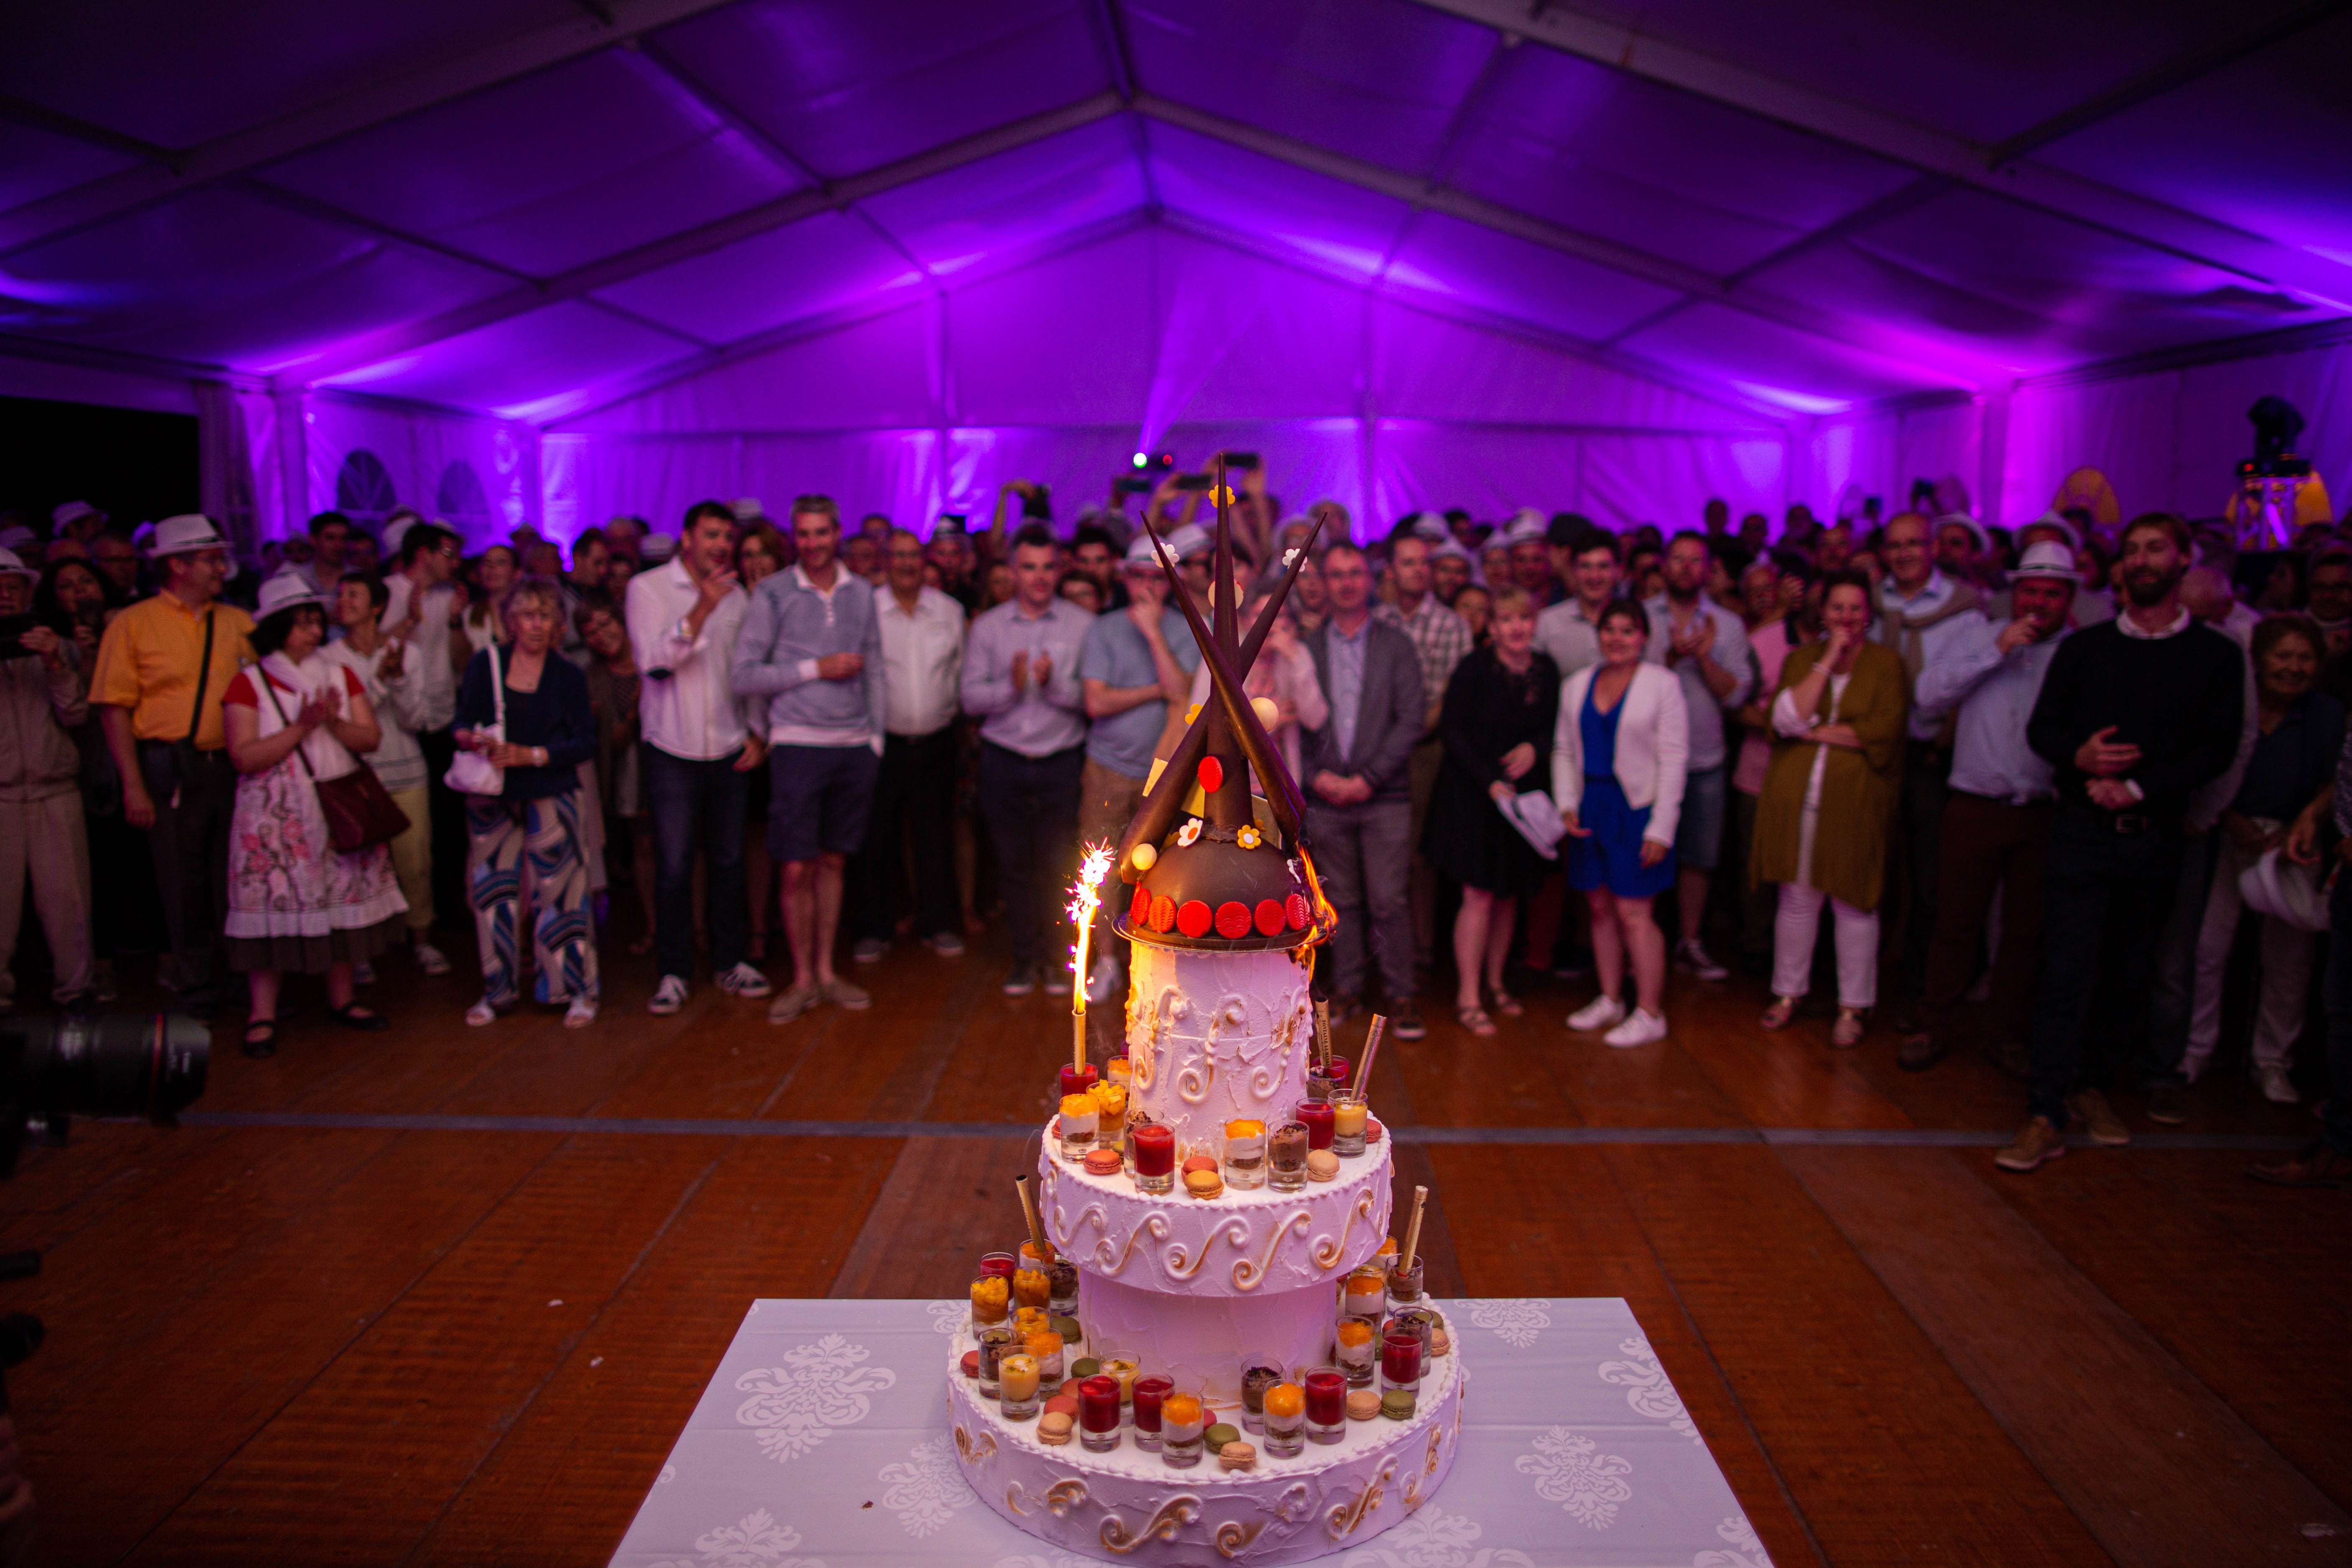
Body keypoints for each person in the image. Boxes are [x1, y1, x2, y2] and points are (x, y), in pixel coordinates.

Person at [1998, 514, 2246, 1173]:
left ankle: (2093, 1086)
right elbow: (2043, 732)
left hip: (2155, 836)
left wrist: (2138, 790)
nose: (2140, 560)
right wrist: (2079, 758)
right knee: (2065, 969)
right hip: (2081, 832)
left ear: (2181, 559)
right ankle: (2045, 1109)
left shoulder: (2216, 656)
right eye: (2131, 550)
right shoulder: (2086, 649)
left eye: (2153, 549)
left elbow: (2215, 750)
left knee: (2129, 971)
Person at [1900, 541, 2079, 1074]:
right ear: (2014, 591)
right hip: (1974, 804)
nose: (2038, 602)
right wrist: (1996, 648)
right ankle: (1935, 1026)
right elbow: (1928, 697)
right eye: (2029, 590)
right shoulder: (1976, 635)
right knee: (1954, 922)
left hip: (2043, 809)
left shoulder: (2079, 651)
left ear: (2067, 598)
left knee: (2026, 932)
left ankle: (2006, 1034)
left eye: (2050, 593)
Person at [220, 576, 406, 1055]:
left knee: (338, 898)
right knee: (272, 904)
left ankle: (342, 1000)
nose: (312, 630)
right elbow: (243, 755)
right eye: (300, 623)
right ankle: (262, 1014)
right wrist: (301, 728)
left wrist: (331, 722)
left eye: (314, 621)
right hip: (275, 813)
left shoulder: (338, 674)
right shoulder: (250, 682)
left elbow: (370, 739)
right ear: (277, 629)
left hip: (333, 803)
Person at [89, 514, 255, 1014]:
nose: (222, 568)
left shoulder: (238, 622)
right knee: (181, 878)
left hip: (232, 765)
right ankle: (195, 984)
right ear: (177, 565)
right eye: (210, 559)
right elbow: (114, 709)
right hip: (169, 767)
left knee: (238, 876)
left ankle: (247, 979)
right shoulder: (133, 623)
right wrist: (134, 786)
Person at [731, 495, 885, 1023]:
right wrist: (814, 668)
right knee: (796, 867)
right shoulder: (773, 593)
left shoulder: (861, 591)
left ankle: (825, 973)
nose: (814, 543)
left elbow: (875, 667)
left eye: (822, 532)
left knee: (834, 861)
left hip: (853, 745)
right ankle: (801, 979)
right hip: (797, 743)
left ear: (837, 532)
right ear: (792, 537)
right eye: (804, 534)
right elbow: (744, 674)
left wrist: (876, 739)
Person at [2183, 615, 2341, 1102]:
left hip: (2294, 846)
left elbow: (2340, 778)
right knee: (2208, 948)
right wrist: (2231, 819)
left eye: (2305, 658)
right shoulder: (2233, 702)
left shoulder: (2328, 714)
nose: (2293, 668)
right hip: (2227, 834)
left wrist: (2307, 820)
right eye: (2283, 656)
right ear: (2258, 661)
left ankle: (2272, 1061)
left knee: (2289, 961)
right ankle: (2194, 1051)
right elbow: (2203, 764)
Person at [627, 501, 772, 1015]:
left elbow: (746, 669)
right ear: (686, 537)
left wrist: (758, 730)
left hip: (729, 745)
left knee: (730, 860)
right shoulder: (648, 590)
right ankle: (673, 971)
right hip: (672, 748)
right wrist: (702, 608)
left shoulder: (738, 595)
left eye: (725, 537)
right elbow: (654, 664)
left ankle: (731, 960)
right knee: (673, 865)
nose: (719, 546)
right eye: (710, 535)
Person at [1753, 572, 1908, 1046]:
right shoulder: (1802, 660)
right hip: (1796, 799)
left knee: (1853, 903)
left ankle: (1852, 1006)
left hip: (1855, 803)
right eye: (1836, 608)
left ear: (1869, 613)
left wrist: (1818, 730)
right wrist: (1825, 660)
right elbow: (1783, 719)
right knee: (1796, 901)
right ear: (1822, 613)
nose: (1846, 618)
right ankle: (1787, 994)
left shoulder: (1886, 665)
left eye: (1855, 609)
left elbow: (1881, 731)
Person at [453, 580, 600, 1028]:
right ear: (510, 620)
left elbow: (585, 743)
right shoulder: (487, 664)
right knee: (492, 892)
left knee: (563, 892)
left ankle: (575, 989)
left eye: (545, 615)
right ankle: (496, 991)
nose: (536, 625)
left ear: (557, 622)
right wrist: (473, 739)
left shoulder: (567, 673)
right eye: (527, 615)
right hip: (492, 792)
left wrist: (531, 755)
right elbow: (460, 723)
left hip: (551, 788)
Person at [1300, 542, 1426, 1037]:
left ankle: (1401, 993)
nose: (1347, 582)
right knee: (1341, 900)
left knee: (1390, 900)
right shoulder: (1307, 648)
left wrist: (1368, 778)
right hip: (1326, 793)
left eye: (1355, 573)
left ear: (1371, 579)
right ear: (1323, 584)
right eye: (1336, 575)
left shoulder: (1397, 644)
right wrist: (1317, 778)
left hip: (1385, 795)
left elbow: (1411, 717)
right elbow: (1292, 726)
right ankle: (1348, 985)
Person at [960, 523, 1092, 996]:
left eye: (1047, 567)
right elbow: (970, 699)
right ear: (1012, 571)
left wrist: (1055, 684)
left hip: (1061, 759)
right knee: (1013, 865)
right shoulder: (990, 627)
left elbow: (1091, 698)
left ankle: (1059, 962)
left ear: (1059, 569)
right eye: (1029, 567)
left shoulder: (1082, 624)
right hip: (1005, 759)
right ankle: (1023, 958)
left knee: (1058, 863)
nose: (1039, 577)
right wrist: (1011, 688)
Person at [1553, 599, 1686, 1046]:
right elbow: (1564, 750)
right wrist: (1567, 802)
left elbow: (1673, 759)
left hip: (1637, 808)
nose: (1617, 637)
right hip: (1591, 803)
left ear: (1644, 636)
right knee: (1598, 907)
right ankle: (1610, 997)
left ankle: (1650, 1011)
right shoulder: (1576, 685)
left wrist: (1661, 828)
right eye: (1609, 629)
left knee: (1635, 912)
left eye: (1627, 630)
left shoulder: (1662, 684)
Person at [1426, 587, 1559, 1034]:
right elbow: (1452, 731)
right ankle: (1468, 995)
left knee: (1508, 895)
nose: (1516, 627)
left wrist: (1534, 749)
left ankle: (1497, 983)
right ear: (1493, 627)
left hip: (1521, 800)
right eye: (1506, 619)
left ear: (1533, 622)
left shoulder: (1546, 669)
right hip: (1472, 797)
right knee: (1478, 895)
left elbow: (1553, 727)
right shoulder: (1474, 668)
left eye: (1523, 618)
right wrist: (1490, 782)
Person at [1075, 534, 1200, 998]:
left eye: (1157, 577)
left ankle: (1153, 961)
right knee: (1100, 866)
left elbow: (1185, 694)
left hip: (1168, 773)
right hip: (1107, 767)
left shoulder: (1188, 627)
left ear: (1170, 583)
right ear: (1125, 578)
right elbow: (1096, 701)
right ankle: (1107, 958)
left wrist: (1151, 633)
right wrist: (1155, 690)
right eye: (1138, 575)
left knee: (1164, 870)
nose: (1147, 586)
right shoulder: (1102, 629)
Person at [321, 571, 448, 978]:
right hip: (355, 776)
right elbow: (344, 725)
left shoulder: (406, 653)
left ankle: (422, 942)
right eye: (340, 594)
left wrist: (396, 679)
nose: (343, 601)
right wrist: (380, 679)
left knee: (415, 862)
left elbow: (416, 720)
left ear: (377, 607)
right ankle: (361, 952)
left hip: (408, 771)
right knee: (357, 867)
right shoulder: (328, 659)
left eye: (353, 594)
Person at [850, 527, 968, 963]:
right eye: (897, 555)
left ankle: (934, 924)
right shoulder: (867, 609)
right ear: (885, 561)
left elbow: (958, 671)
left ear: (925, 560)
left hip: (938, 742)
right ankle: (875, 928)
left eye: (913, 555)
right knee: (876, 840)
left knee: (933, 837)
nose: (905, 563)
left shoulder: (949, 611)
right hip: (881, 745)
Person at [1643, 531, 1753, 982]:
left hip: (1705, 761)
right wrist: (1670, 655)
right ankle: (1642, 942)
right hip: (1648, 760)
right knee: (1645, 854)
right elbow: (1631, 685)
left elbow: (1736, 695)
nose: (1686, 568)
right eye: (1678, 559)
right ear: (1664, 566)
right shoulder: (1641, 617)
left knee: (1698, 858)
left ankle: (1689, 942)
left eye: (1695, 561)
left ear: (1707, 571)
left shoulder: (1727, 625)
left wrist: (1706, 659)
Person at [0, 548, 95, 1015]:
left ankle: (76, 995)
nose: (4, 594)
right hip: (1, 797)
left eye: (13, 585)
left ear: (27, 592)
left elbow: (77, 715)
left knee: (69, 904)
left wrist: (56, 662)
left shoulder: (57, 645)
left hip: (56, 790)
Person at [1377, 532, 1474, 977]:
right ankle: (1388, 953)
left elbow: (1455, 697)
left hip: (1424, 752)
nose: (1417, 570)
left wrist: (1402, 736)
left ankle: (1423, 951)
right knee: (1386, 855)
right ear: (1391, 570)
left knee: (1419, 858)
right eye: (1408, 563)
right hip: (1377, 753)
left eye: (1423, 563)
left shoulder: (1452, 624)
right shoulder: (1377, 619)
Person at [1730, 554, 1815, 971]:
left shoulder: (1834, 640)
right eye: (1756, 593)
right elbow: (1734, 704)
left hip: (1815, 777)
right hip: (1759, 772)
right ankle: (1756, 947)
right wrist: (1774, 723)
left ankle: (1803, 957)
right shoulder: (1761, 640)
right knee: (1756, 867)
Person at [386, 523, 468, 926]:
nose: (456, 562)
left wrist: (455, 621)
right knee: (404, 828)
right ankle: (402, 917)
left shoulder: (452, 596)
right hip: (397, 728)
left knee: (446, 821)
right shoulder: (387, 591)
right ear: (424, 555)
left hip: (444, 719)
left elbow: (463, 662)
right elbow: (371, 652)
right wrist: (409, 621)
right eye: (448, 554)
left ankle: (442, 911)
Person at [458, 544, 518, 659]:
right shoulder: (470, 612)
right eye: (487, 563)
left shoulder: (526, 613)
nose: (492, 568)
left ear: (517, 573)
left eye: (501, 563)